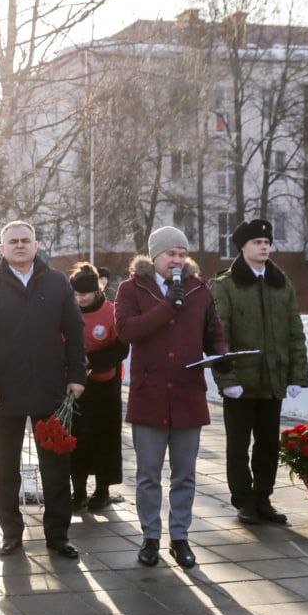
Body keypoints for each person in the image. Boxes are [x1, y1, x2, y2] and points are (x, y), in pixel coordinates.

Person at [0, 221, 87, 558]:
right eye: (12, 242)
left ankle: (58, 535)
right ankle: (10, 532)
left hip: (52, 390)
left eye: (25, 240)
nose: (19, 246)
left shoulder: (57, 283)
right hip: (4, 392)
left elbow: (75, 332)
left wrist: (77, 376)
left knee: (56, 467)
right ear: (1, 249)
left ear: (36, 245)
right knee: (5, 467)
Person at [115, 226, 228, 570]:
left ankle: (180, 538)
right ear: (155, 256)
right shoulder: (131, 289)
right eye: (170, 254)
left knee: (185, 475)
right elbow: (127, 330)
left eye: (182, 254)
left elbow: (214, 333)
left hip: (187, 396)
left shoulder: (200, 289)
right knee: (149, 475)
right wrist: (167, 306)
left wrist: (222, 352)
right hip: (149, 397)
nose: (177, 260)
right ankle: (150, 537)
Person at [211, 219, 308, 526]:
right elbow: (218, 336)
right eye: (256, 243)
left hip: (272, 379)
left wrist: (296, 375)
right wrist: (227, 380)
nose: (263, 247)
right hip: (241, 382)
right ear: (242, 247)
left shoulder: (281, 283)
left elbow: (295, 331)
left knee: (268, 444)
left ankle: (263, 496)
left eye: (266, 242)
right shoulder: (226, 285)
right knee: (238, 446)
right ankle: (244, 500)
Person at [68, 262, 128, 512]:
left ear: (96, 291)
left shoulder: (111, 312)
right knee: (76, 439)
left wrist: (92, 362)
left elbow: (121, 347)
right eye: (76, 295)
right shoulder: (67, 312)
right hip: (74, 388)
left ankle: (102, 490)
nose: (80, 299)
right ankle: (78, 490)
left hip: (104, 386)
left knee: (105, 439)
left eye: (84, 294)